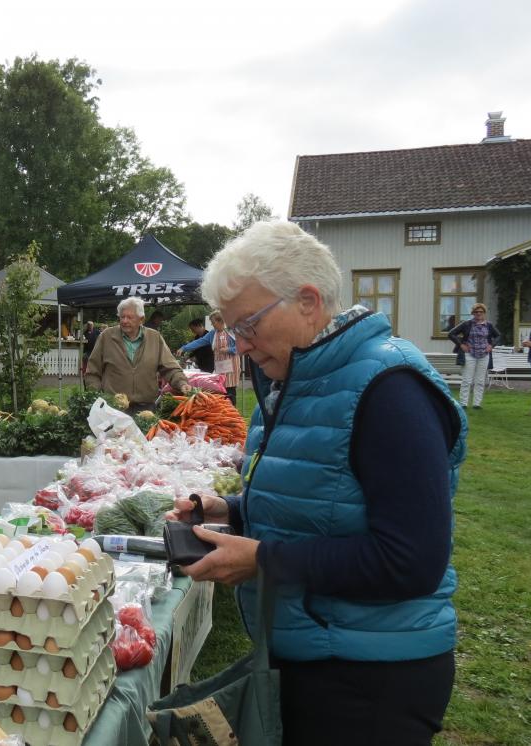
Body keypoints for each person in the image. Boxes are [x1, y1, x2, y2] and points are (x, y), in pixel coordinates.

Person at [169, 221, 465, 745]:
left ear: (307, 301)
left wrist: (262, 559)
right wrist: (233, 511)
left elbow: (412, 562)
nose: (240, 343)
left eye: (249, 325)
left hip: (370, 677)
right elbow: (323, 498)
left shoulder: (390, 390)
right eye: (231, 329)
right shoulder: (293, 380)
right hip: (315, 653)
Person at [84, 297, 187, 412]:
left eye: (129, 317)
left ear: (141, 319)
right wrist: (97, 397)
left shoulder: (154, 337)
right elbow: (92, 372)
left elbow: (170, 368)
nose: (124, 321)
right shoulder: (107, 336)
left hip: (146, 408)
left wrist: (181, 383)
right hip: (113, 408)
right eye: (122, 317)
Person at [179, 311, 240, 405]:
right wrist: (184, 348)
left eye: (213, 322)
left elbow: (240, 347)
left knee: (230, 390)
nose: (212, 324)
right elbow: (199, 342)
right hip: (220, 367)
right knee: (221, 390)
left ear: (220, 321)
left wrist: (229, 349)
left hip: (231, 368)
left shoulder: (231, 332)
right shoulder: (212, 334)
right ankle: (223, 411)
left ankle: (233, 412)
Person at [447, 303, 500, 409]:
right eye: (476, 312)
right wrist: (461, 344)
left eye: (481, 312)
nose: (478, 314)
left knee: (480, 380)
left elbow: (498, 335)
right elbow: (451, 333)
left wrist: (491, 345)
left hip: (484, 355)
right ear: (473, 313)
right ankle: (463, 403)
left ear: (484, 313)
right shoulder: (467, 324)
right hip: (469, 355)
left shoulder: (489, 325)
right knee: (467, 380)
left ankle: (477, 404)